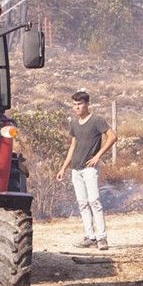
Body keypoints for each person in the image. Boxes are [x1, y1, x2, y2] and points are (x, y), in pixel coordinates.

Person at [55, 89, 117, 250]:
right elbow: (73, 146)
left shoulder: (97, 120)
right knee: (82, 203)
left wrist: (98, 156)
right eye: (74, 105)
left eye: (80, 104)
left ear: (87, 104)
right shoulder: (74, 123)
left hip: (90, 168)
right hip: (76, 169)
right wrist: (63, 168)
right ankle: (90, 237)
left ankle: (102, 238)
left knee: (94, 201)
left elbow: (112, 136)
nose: (77, 108)